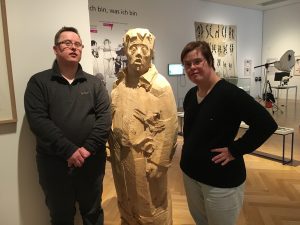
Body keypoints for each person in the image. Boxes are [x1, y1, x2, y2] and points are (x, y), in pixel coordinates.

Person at [180, 41, 277, 225]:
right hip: (190, 175)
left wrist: (235, 150)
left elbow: (266, 124)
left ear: (209, 61)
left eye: (197, 61)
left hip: (220, 180)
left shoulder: (230, 94)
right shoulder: (191, 95)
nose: (192, 67)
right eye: (187, 64)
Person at [24, 26, 111, 225]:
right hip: (54, 165)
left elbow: (104, 119)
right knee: (61, 215)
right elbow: (38, 121)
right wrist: (70, 151)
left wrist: (87, 149)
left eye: (78, 44)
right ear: (55, 49)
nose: (74, 47)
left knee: (93, 213)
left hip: (91, 162)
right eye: (67, 43)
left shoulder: (95, 84)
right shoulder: (39, 82)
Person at [108, 28, 178, 225]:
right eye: (133, 48)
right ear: (126, 51)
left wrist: (159, 161)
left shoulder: (160, 87)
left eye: (144, 49)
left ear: (152, 53)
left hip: (146, 158)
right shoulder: (118, 85)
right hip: (120, 155)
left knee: (150, 206)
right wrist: (109, 146)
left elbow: (170, 127)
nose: (138, 53)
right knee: (125, 199)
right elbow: (111, 117)